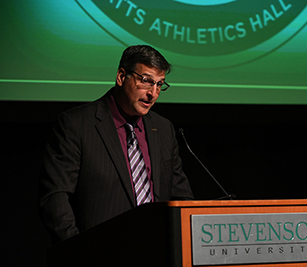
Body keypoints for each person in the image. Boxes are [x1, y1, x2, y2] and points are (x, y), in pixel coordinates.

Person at [38, 45, 194, 244]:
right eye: (146, 81)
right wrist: (76, 251)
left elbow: (182, 198)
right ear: (121, 77)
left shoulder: (163, 129)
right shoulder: (76, 124)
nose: (153, 93)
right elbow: (55, 197)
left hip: (158, 251)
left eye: (159, 84)